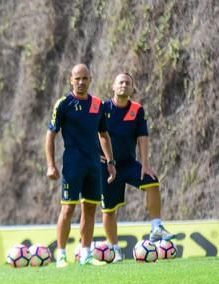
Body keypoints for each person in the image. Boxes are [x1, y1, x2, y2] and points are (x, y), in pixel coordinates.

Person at [45, 64, 117, 268]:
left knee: (90, 210)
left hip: (94, 165)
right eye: (77, 78)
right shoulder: (63, 104)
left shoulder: (97, 105)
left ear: (90, 79)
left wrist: (110, 162)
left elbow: (103, 135)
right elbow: (50, 135)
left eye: (85, 78)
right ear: (71, 80)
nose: (81, 82)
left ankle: (85, 253)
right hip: (72, 165)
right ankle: (60, 254)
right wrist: (50, 165)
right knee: (68, 209)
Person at [100, 73, 174, 262]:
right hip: (107, 167)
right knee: (108, 211)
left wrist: (145, 163)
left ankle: (156, 227)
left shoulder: (137, 110)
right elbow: (96, 135)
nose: (124, 85)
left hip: (128, 164)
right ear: (113, 87)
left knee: (152, 181)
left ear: (133, 88)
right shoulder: (102, 108)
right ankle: (115, 249)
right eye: (120, 82)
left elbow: (143, 137)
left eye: (128, 83)